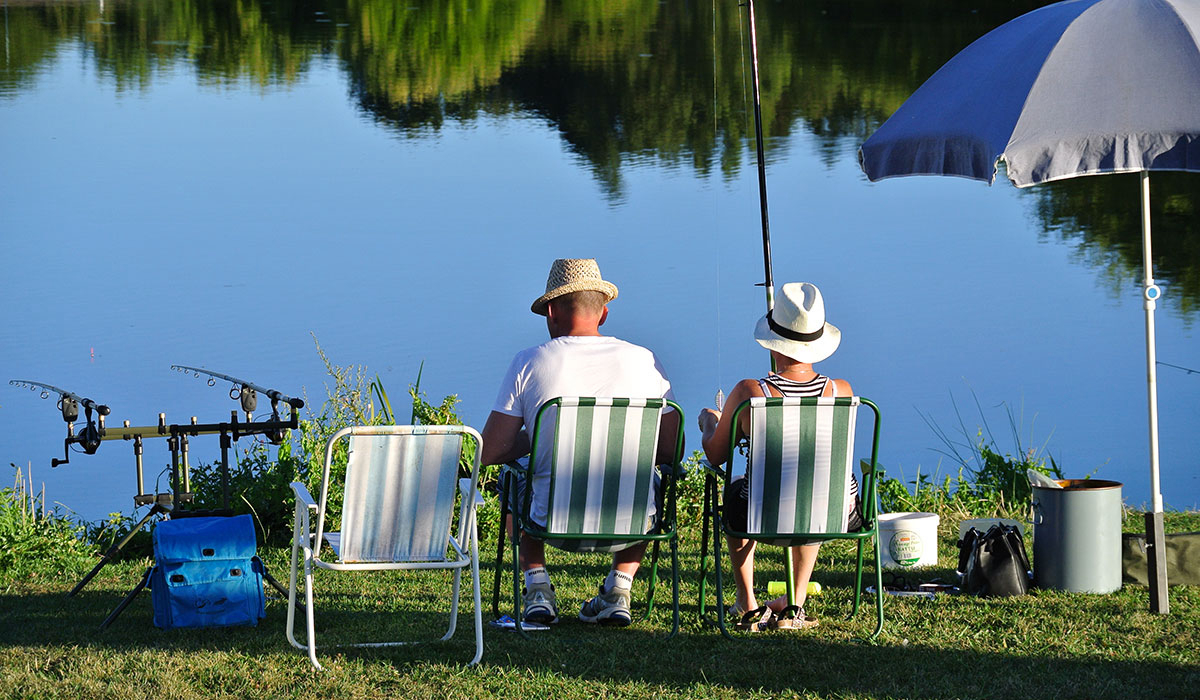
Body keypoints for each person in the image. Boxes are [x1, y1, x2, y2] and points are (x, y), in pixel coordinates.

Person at [480, 258, 680, 627]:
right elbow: (670, 452)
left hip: (550, 521)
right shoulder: (645, 361)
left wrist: (538, 435)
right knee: (650, 480)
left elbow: (489, 452)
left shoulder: (529, 362)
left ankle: (537, 586)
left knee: (511, 483)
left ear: (551, 312)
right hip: (631, 523)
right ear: (603, 314)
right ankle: (619, 588)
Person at [698, 281, 861, 631]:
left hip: (761, 516)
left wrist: (710, 424)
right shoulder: (841, 392)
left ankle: (747, 603)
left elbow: (716, 455)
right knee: (818, 484)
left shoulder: (751, 393)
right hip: (836, 514)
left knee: (737, 490)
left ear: (774, 344)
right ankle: (795, 605)